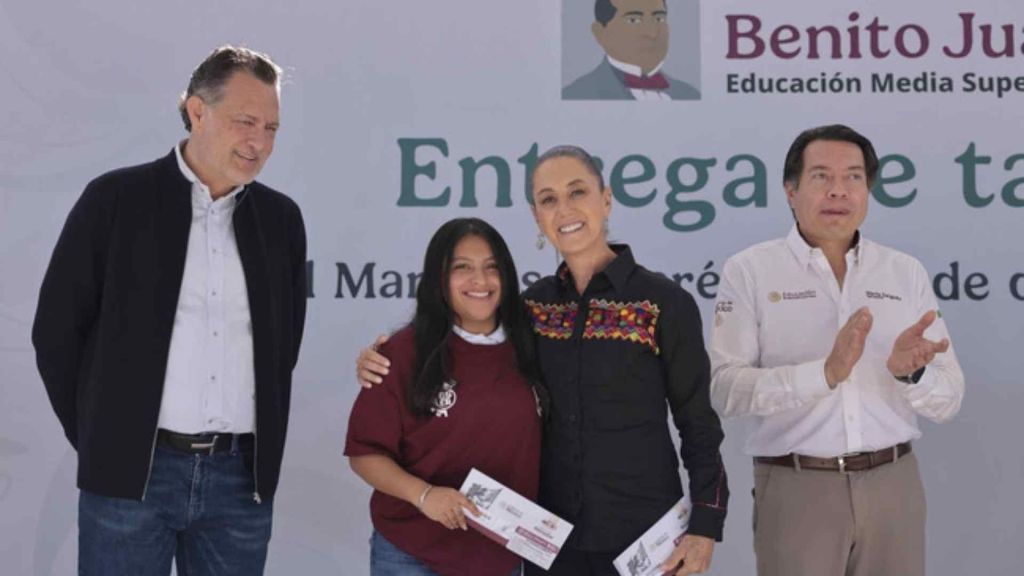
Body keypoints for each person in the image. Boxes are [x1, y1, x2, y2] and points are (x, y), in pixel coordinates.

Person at [358, 146, 728, 576]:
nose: (564, 209)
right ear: (537, 216)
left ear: (606, 200)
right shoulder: (530, 310)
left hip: (645, 540)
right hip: (549, 544)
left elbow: (698, 423)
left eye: (577, 192)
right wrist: (379, 359)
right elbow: (459, 341)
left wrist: (705, 526)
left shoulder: (664, 304)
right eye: (549, 199)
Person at [31, 45, 306, 575]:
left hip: (239, 484)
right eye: (245, 121)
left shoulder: (281, 221)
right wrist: (105, 437)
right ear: (197, 111)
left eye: (271, 128)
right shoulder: (114, 199)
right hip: (130, 478)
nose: (259, 142)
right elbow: (57, 334)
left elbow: (281, 351)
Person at [709, 124, 965, 576]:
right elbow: (724, 390)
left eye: (853, 177)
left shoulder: (904, 272)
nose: (838, 191)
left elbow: (950, 398)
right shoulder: (750, 270)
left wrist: (913, 374)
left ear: (868, 191)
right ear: (790, 190)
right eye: (821, 176)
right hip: (796, 487)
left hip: (893, 485)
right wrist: (823, 374)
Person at [345, 217, 544, 576]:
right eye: (462, 268)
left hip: (499, 556)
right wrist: (423, 495)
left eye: (491, 267)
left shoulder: (535, 346)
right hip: (411, 552)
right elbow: (364, 454)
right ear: (439, 277)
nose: (480, 281)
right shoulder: (401, 354)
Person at [563, 0, 700, 101]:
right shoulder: (576, 94)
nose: (652, 33)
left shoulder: (690, 94)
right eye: (633, 20)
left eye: (659, 18)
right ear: (600, 33)